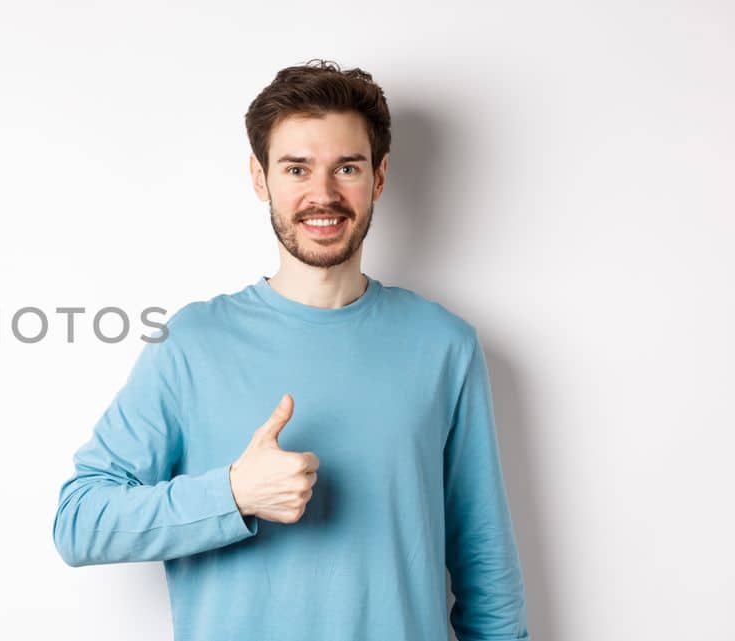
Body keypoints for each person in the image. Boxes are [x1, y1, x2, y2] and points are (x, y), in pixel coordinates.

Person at [51, 59, 530, 641]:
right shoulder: (193, 344)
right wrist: (232, 494)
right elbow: (79, 522)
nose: (322, 195)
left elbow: (486, 569)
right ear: (260, 178)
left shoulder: (444, 346)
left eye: (346, 167)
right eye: (296, 168)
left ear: (379, 177)